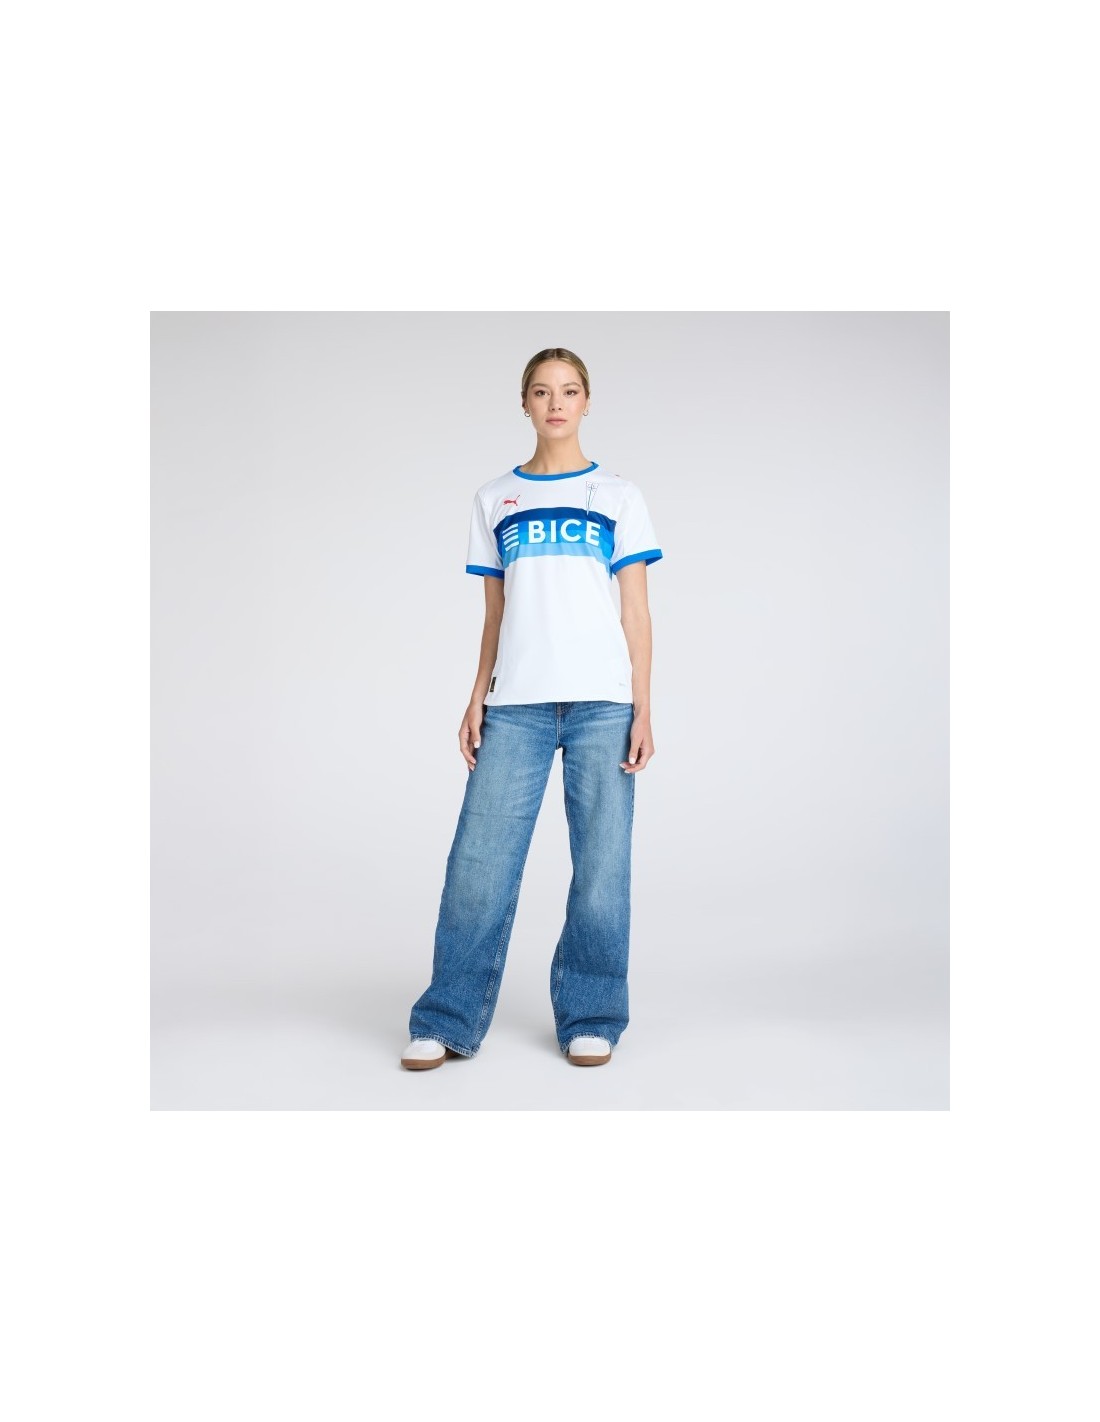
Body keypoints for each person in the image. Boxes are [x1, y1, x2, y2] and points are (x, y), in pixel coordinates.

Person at [401, 347, 663, 1070]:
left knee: (602, 867)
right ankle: (447, 1017)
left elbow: (636, 611)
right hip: (515, 703)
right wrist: (476, 697)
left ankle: (592, 1015)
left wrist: (644, 706)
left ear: (586, 402)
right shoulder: (496, 499)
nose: (556, 403)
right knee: (478, 865)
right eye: (542, 392)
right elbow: (495, 613)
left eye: (569, 391)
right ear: (524, 403)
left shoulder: (617, 496)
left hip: (603, 702)